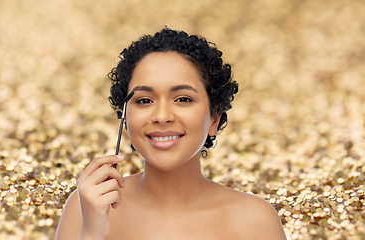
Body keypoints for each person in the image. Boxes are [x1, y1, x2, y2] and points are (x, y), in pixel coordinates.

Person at [55, 27, 286, 240]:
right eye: (144, 100)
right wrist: (92, 233)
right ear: (125, 117)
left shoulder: (255, 222)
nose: (162, 116)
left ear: (214, 117)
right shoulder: (85, 207)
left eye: (183, 99)